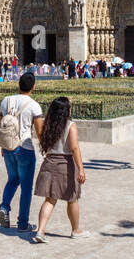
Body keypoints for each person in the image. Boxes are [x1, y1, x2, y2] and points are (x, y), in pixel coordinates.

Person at [30, 96, 90, 243]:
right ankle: (76, 230)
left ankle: (41, 230)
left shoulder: (48, 125)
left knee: (50, 199)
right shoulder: (70, 125)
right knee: (72, 198)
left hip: (49, 162)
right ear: (66, 110)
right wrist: (81, 169)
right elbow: (74, 148)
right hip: (65, 164)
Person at [0, 71, 43, 233]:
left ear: (18, 84)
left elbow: (0, 124)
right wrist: (46, 148)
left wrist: (3, 146)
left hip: (8, 146)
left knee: (12, 179)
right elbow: (39, 131)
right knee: (26, 187)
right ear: (33, 87)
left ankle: (4, 207)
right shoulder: (33, 105)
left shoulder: (6, 101)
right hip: (25, 147)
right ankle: (23, 223)